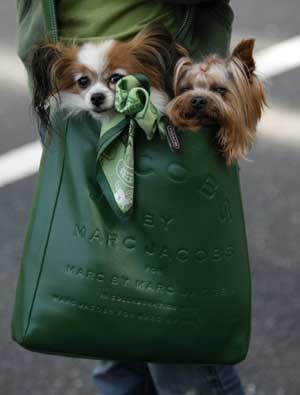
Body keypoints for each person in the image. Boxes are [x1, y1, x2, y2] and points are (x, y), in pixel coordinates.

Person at [16, 0, 245, 393]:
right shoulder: (66, 79)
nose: (98, 90)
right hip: (67, 105)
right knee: (103, 307)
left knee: (178, 337)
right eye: (90, 83)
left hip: (153, 99)